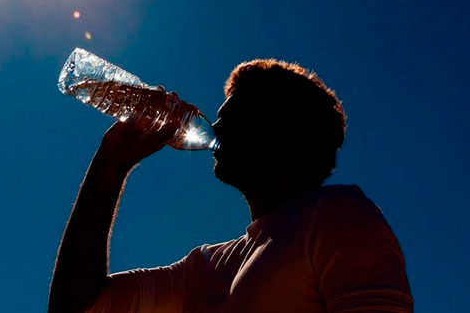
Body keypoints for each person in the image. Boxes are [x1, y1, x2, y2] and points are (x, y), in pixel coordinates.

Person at [48, 58, 413, 312]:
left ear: (293, 137)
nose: (217, 130)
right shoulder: (205, 268)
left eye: (237, 118)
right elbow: (80, 306)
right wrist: (111, 163)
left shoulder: (338, 215)